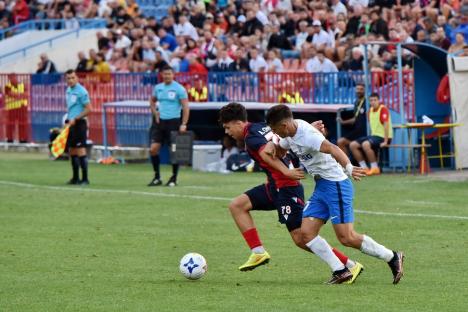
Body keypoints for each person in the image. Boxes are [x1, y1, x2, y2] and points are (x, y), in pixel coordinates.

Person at [219, 103, 363, 284]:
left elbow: (267, 154)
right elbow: (288, 135)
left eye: (227, 127)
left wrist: (286, 172)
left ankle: (348, 265)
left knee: (301, 237)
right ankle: (258, 252)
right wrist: (309, 128)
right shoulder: (260, 127)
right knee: (237, 205)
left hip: (287, 187)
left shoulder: (251, 139)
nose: (227, 132)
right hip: (274, 186)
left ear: (238, 123)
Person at [265, 105, 404, 285]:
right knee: (306, 233)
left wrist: (349, 168)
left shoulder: (308, 134)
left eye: (275, 130)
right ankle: (341, 271)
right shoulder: (290, 133)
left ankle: (392, 257)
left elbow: (333, 149)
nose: (275, 133)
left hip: (336, 184)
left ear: (284, 125)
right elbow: (281, 148)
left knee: (347, 237)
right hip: (321, 186)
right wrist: (272, 144)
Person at [148, 66, 189, 187]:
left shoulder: (179, 89)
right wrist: (155, 112)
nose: (167, 76)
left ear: (173, 75)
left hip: (174, 122)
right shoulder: (158, 88)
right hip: (159, 122)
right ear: (161, 75)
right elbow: (152, 101)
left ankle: (174, 178)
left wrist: (184, 123)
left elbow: (186, 107)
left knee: (174, 151)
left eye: (169, 74)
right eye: (165, 74)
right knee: (153, 149)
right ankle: (157, 177)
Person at [349, 93, 393, 176]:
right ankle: (364, 168)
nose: (373, 102)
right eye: (371, 100)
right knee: (353, 145)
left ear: (378, 100)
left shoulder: (383, 109)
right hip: (374, 136)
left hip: (384, 137)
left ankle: (375, 168)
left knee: (366, 144)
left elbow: (386, 125)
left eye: (375, 100)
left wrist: (386, 141)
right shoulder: (369, 111)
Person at [64, 69, 92, 185]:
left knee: (81, 150)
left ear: (77, 78)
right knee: (72, 150)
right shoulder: (68, 90)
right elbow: (72, 108)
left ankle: (85, 178)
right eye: (68, 78)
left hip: (79, 124)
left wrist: (76, 118)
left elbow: (88, 109)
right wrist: (69, 119)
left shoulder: (82, 91)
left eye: (72, 78)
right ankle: (75, 178)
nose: (70, 80)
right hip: (71, 124)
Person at [337, 83, 367, 155]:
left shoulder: (367, 102)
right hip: (356, 131)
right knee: (340, 142)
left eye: (361, 89)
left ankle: (348, 165)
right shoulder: (356, 102)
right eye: (357, 89)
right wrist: (343, 122)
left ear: (365, 90)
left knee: (343, 142)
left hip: (364, 131)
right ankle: (347, 165)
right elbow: (355, 118)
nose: (358, 91)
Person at [4, 74, 29, 143]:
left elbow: (26, 94)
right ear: (9, 78)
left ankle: (23, 139)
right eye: (11, 78)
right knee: (10, 125)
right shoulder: (7, 86)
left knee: (22, 124)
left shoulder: (23, 85)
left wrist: (18, 95)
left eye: (14, 77)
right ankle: (9, 139)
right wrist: (20, 95)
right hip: (12, 108)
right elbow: (10, 94)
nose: (13, 79)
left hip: (22, 107)